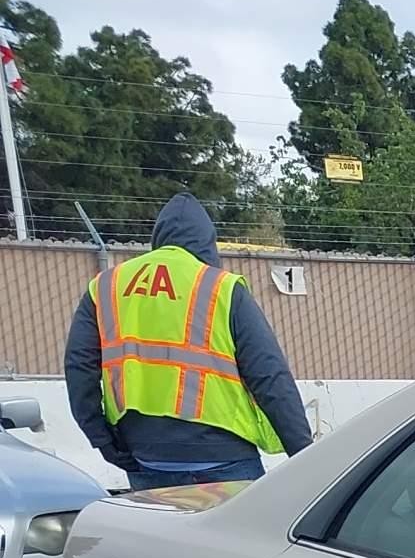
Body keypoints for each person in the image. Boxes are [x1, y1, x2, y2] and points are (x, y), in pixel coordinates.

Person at [64, 194, 313, 491]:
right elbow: (270, 377)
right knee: (239, 538)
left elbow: (78, 367)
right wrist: (306, 458)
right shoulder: (220, 287)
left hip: (145, 456)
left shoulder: (106, 286)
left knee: (162, 538)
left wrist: (103, 439)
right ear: (207, 241)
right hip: (224, 457)